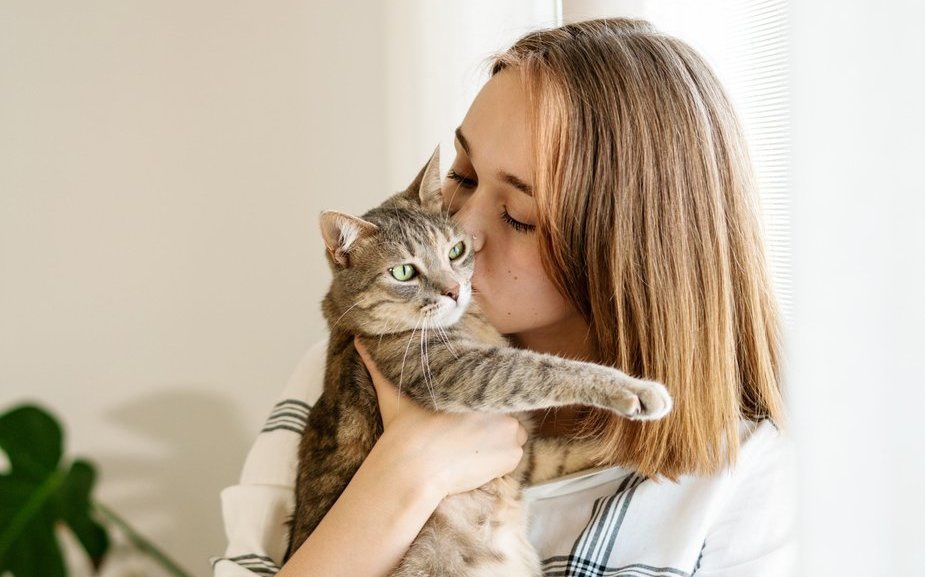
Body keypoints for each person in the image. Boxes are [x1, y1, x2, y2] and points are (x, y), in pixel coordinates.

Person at [212, 17, 795, 577]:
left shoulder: (741, 476)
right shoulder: (342, 367)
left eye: (518, 216)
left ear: (626, 253)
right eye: (461, 176)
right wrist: (401, 477)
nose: (460, 229)